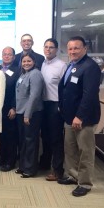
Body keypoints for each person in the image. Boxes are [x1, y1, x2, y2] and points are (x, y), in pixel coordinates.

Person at [58, 36, 101, 197]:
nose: (73, 51)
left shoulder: (90, 67)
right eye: (70, 48)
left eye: (76, 48)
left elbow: (89, 95)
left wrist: (80, 116)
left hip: (83, 119)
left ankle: (85, 183)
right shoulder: (73, 65)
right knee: (70, 149)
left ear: (85, 49)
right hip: (69, 117)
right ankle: (72, 175)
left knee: (85, 151)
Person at [40, 38, 67, 180]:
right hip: (43, 104)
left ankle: (58, 170)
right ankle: (45, 163)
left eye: (51, 47)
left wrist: (61, 107)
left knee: (56, 138)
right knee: (45, 136)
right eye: (46, 47)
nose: (48, 49)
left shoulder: (61, 65)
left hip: (55, 105)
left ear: (56, 49)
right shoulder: (43, 63)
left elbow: (65, 88)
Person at [15, 53, 44, 178]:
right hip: (21, 112)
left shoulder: (35, 74)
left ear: (34, 61)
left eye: (29, 61)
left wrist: (27, 114)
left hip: (31, 113)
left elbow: (34, 96)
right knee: (23, 141)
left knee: (31, 141)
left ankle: (30, 169)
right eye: (24, 61)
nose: (26, 63)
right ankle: (23, 166)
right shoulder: (24, 74)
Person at [0, 46, 20, 172]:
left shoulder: (17, 70)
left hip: (9, 107)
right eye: (4, 54)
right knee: (0, 134)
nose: (6, 56)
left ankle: (10, 161)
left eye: (9, 54)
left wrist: (14, 107)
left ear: (13, 57)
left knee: (10, 135)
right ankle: (2, 157)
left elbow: (18, 91)